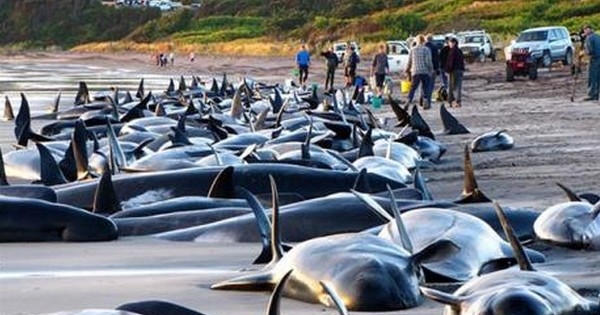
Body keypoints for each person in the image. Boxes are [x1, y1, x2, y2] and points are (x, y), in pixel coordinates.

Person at [405, 35, 434, 109]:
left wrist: (407, 69)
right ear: (423, 41)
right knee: (425, 87)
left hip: (415, 71)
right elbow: (428, 61)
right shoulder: (426, 49)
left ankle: (408, 100)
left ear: (416, 41)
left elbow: (409, 61)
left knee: (413, 88)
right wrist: (431, 69)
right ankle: (425, 103)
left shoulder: (412, 50)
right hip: (425, 71)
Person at [445, 37, 465, 108]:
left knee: (452, 87)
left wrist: (447, 70)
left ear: (454, 43)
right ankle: (458, 101)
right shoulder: (459, 51)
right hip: (460, 70)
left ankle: (452, 101)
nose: (449, 44)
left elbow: (451, 62)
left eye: (449, 43)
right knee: (458, 86)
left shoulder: (452, 51)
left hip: (453, 71)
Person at [583, 25, 600, 101]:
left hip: (594, 59)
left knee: (592, 77)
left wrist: (583, 53)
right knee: (598, 78)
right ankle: (596, 95)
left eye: (585, 30)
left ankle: (592, 95)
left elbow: (589, 51)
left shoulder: (589, 38)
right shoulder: (597, 36)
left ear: (587, 30)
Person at [424, 34, 440, 106]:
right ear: (432, 39)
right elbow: (436, 59)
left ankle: (423, 100)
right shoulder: (434, 47)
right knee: (430, 85)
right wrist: (437, 69)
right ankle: (428, 101)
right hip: (432, 69)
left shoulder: (423, 47)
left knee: (423, 85)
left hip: (424, 69)